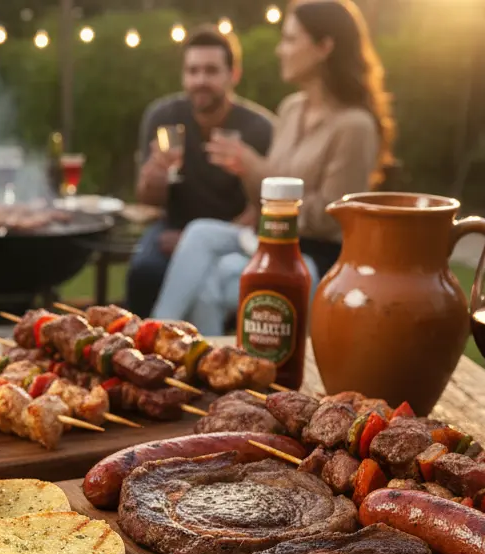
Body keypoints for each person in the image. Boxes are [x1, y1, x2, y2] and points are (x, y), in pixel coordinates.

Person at [151, 0, 395, 335]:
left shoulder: (355, 126)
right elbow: (261, 202)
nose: (281, 50)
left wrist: (255, 168)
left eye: (291, 40)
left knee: (210, 283)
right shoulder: (291, 109)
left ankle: (181, 355)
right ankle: (152, 336)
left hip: (311, 255)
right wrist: (248, 172)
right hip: (267, 239)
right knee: (198, 233)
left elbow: (331, 218)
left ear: (325, 47)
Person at [125, 25, 275, 314]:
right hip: (171, 227)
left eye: (210, 71)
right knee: (143, 272)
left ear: (234, 74)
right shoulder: (163, 117)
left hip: (235, 236)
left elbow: (263, 207)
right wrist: (154, 177)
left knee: (210, 279)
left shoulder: (259, 127)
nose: (200, 80)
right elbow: (148, 200)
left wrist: (197, 242)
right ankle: (133, 348)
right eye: (192, 71)